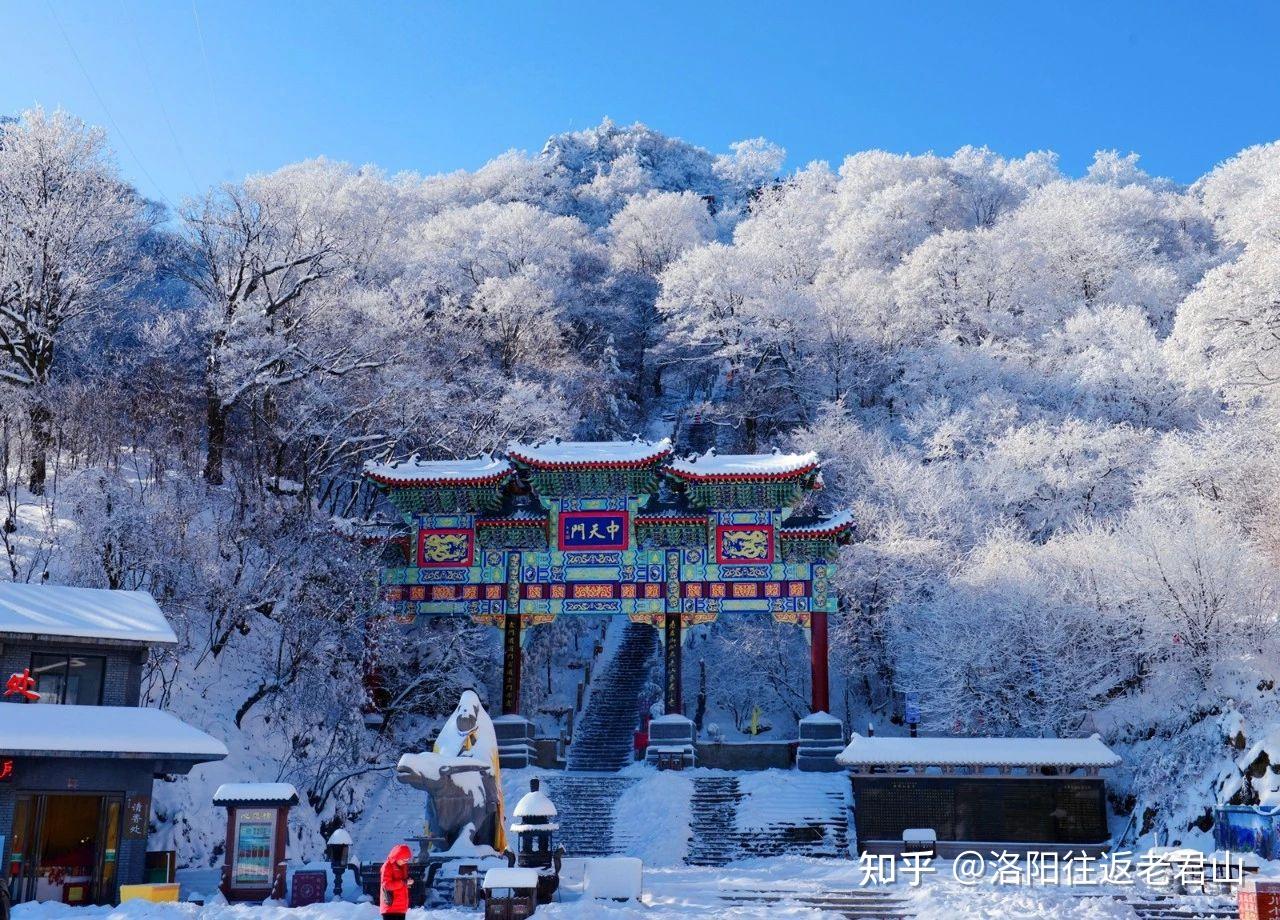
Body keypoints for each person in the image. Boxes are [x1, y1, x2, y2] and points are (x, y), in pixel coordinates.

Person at [379, 844, 413, 920]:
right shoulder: (387, 866)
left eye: (407, 860)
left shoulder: (403, 866)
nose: (405, 862)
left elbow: (402, 882)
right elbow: (387, 885)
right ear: (397, 856)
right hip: (390, 908)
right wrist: (404, 882)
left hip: (401, 907)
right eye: (404, 860)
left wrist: (407, 882)